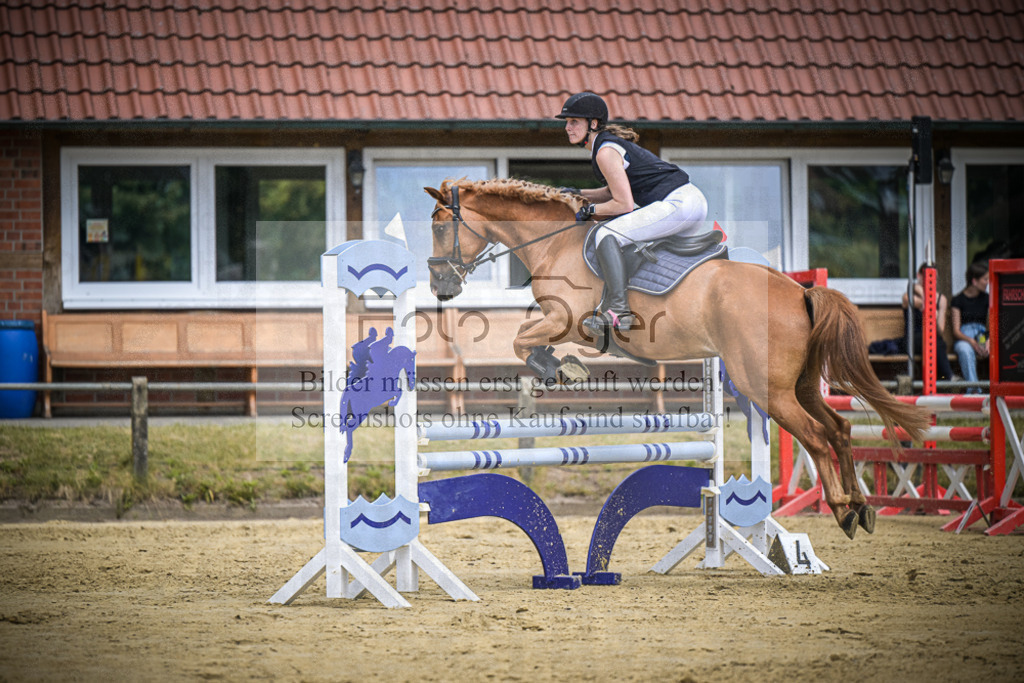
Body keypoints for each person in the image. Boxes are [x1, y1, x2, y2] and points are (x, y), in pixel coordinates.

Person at [554, 92, 709, 333]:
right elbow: (610, 191)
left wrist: (588, 211)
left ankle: (618, 311)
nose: (567, 127)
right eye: (566, 122)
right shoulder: (606, 147)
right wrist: (577, 193)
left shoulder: (605, 152)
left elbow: (624, 204)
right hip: (689, 203)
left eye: (574, 121)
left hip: (677, 204)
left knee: (605, 234)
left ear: (593, 124)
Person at [901, 263, 955, 381]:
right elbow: (911, 299)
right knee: (932, 341)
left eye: (934, 278)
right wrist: (927, 300)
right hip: (911, 340)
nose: (931, 280)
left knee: (936, 341)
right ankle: (949, 377)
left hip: (933, 339)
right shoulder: (909, 295)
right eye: (928, 276)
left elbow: (940, 330)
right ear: (919, 276)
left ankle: (946, 379)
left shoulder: (941, 300)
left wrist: (934, 318)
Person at [951, 261, 990, 393]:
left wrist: (988, 341)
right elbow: (956, 331)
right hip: (964, 337)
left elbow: (991, 326)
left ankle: (1001, 391)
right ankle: (974, 390)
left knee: (994, 350)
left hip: (982, 335)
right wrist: (972, 341)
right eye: (985, 279)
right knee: (965, 351)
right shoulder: (958, 300)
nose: (987, 282)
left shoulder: (987, 299)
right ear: (974, 281)